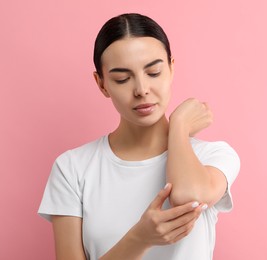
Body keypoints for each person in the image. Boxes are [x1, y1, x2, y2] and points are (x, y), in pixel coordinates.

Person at [38, 13, 240, 260]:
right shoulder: (72, 168)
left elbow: (188, 196)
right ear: (101, 84)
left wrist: (178, 126)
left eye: (153, 72)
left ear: (171, 68)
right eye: (122, 79)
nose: (142, 89)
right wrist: (140, 238)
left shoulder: (211, 156)